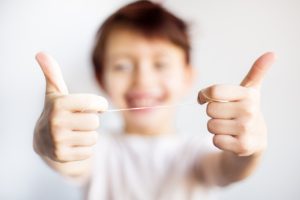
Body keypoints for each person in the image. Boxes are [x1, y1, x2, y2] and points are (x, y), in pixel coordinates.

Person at [33, 1, 276, 199]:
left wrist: (249, 150)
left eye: (160, 64)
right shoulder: (96, 149)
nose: (143, 80)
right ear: (101, 79)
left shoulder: (200, 152)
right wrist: (47, 145)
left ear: (187, 77)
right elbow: (71, 161)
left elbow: (230, 168)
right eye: (122, 66)